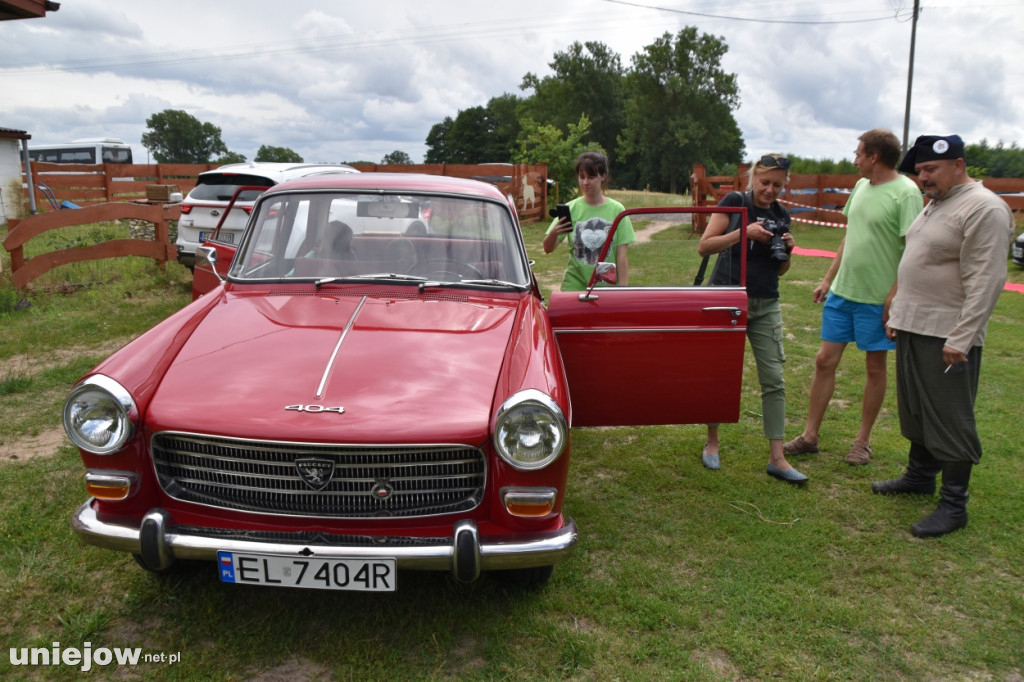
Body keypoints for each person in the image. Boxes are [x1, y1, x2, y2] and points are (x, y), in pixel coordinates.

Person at [875, 134, 1014, 538]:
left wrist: (962, 337)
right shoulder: (936, 204)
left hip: (947, 335)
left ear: (958, 164)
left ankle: (954, 505)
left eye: (931, 169)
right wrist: (898, 311)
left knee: (950, 418)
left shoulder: (984, 207)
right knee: (917, 409)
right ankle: (919, 477)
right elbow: (919, 260)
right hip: (916, 325)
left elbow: (987, 280)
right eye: (919, 171)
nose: (923, 178)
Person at [783, 129, 923, 465]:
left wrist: (893, 297)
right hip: (843, 294)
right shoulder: (860, 187)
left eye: (858, 153)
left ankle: (862, 442)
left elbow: (913, 251)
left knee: (875, 368)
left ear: (874, 156)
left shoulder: (906, 193)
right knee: (823, 361)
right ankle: (810, 435)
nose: (855, 158)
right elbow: (852, 236)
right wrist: (828, 279)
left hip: (877, 299)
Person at [698, 154, 805, 484]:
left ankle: (778, 458)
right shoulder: (734, 201)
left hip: (766, 302)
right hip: (726, 299)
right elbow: (705, 246)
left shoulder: (781, 214)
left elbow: (781, 269)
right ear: (753, 178)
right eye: (765, 183)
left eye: (777, 185)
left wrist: (788, 249)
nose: (770, 190)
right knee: (719, 374)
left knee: (774, 378)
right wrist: (743, 233)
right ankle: (712, 443)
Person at [543, 151, 635, 291]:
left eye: (591, 177)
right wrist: (554, 233)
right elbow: (547, 249)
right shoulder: (570, 208)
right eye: (582, 177)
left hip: (606, 288)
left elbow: (621, 255)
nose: (585, 182)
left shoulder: (617, 210)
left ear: (603, 176)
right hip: (574, 289)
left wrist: (623, 290)